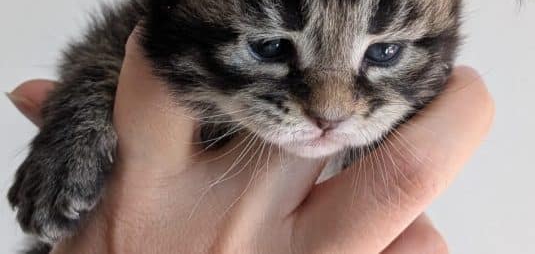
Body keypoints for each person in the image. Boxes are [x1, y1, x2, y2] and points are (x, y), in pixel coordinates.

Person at [7, 31, 494, 253]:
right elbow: (105, 55)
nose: (330, 107)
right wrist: (87, 105)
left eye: (384, 50)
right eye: (271, 45)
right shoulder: (147, 45)